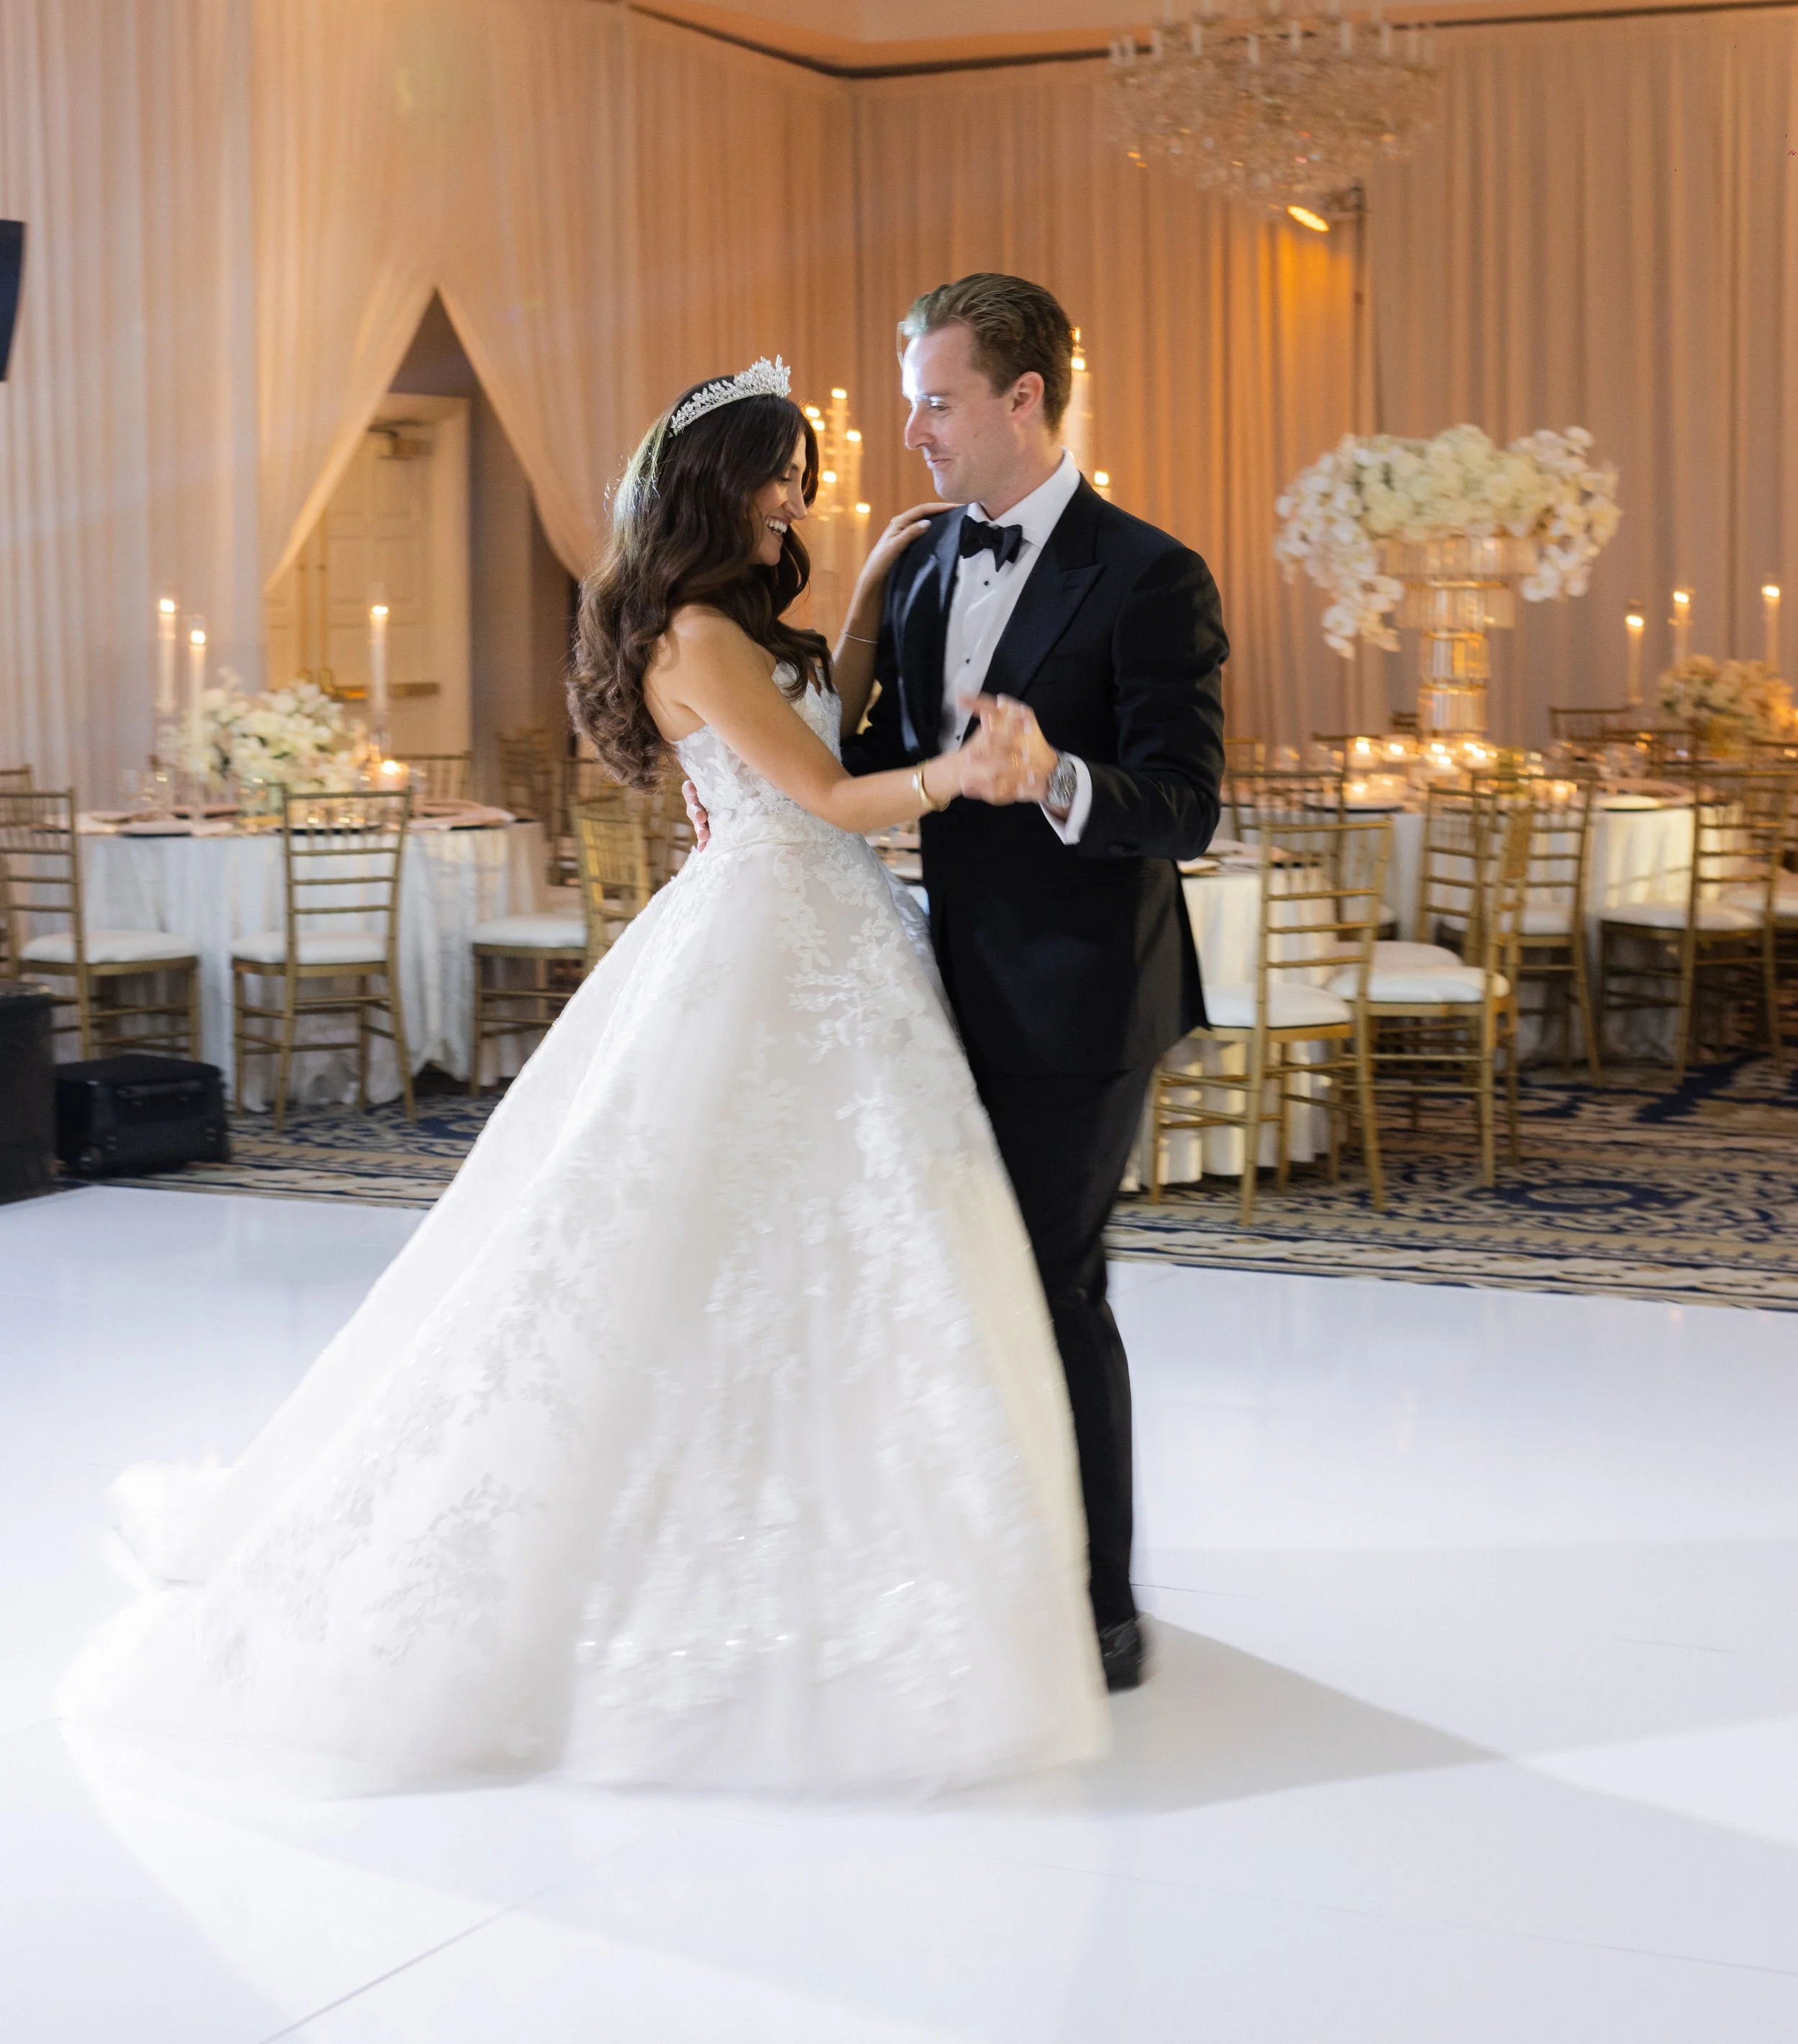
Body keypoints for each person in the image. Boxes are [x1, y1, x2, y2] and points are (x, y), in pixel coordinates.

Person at [58, 358, 1108, 1799]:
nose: (794, 498)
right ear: (715, 486)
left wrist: (865, 598)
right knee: (691, 1244)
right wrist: (960, 778)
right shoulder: (692, 632)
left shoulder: (738, 622)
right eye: (778, 474)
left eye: (798, 476)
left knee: (838, 1244)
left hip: (830, 940)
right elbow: (822, 796)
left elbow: (822, 723)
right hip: (770, 932)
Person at [839, 275, 1227, 1692]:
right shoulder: (922, 567)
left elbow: (1186, 807)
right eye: (913, 402)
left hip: (1083, 999)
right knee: (961, 1279)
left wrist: (1054, 776)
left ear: (1024, 398)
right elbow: (874, 759)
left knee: (1050, 1281)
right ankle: (987, 1561)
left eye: (937, 402)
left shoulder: (1150, 574)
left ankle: (1097, 1604)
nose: (914, 432)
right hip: (939, 989)